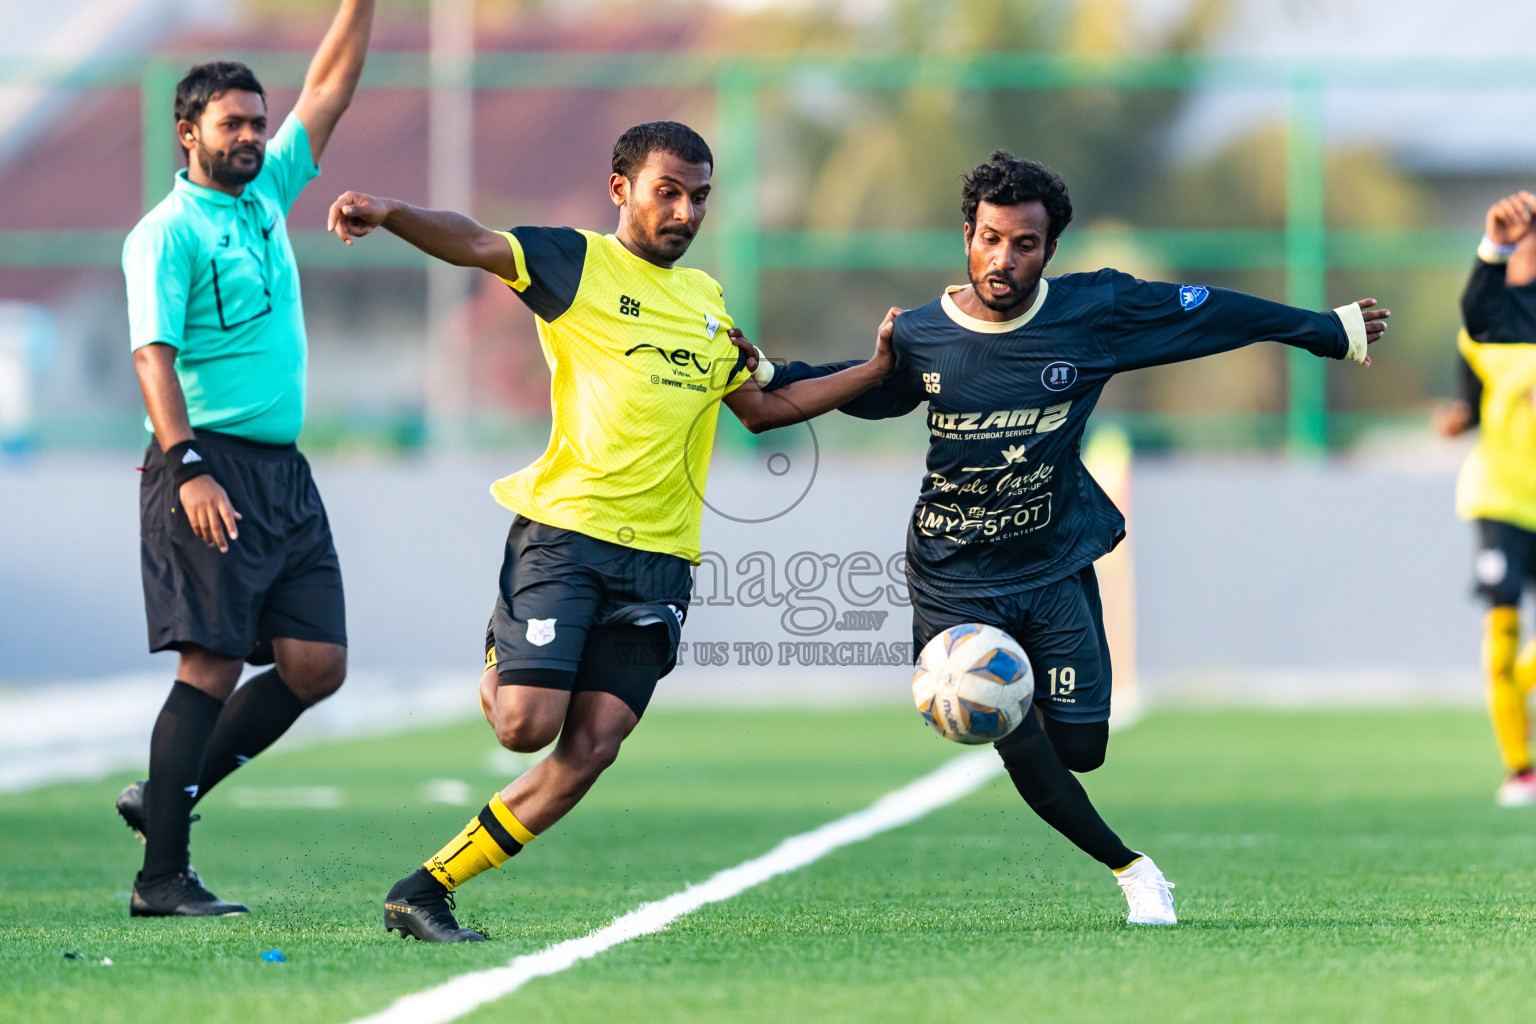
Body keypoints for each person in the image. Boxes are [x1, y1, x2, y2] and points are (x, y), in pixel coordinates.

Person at [757, 151, 1389, 925]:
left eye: (1024, 244)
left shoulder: (1095, 311)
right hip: (953, 577)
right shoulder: (923, 335)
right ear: (967, 236)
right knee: (1010, 727)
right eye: (990, 239)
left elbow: (1212, 313)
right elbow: (865, 385)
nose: (1004, 258)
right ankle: (1133, 870)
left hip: (1052, 562)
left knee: (1084, 746)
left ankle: (1056, 744)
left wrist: (1323, 331)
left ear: (1050, 249)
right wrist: (775, 369)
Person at [327, 120, 898, 941]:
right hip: (566, 536)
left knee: (592, 746)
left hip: (662, 565)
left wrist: (875, 372)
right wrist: (388, 210)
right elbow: (474, 242)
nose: (686, 211)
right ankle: (505, 637)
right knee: (523, 726)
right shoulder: (575, 263)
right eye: (668, 191)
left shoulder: (706, 302)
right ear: (621, 188)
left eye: (699, 196)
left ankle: (423, 889)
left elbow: (763, 408)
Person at [116, 0, 376, 917]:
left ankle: (164, 799)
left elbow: (332, 88)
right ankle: (160, 880)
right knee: (210, 667)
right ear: (188, 133)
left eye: (260, 123)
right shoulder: (165, 233)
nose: (254, 137)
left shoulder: (266, 198)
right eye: (234, 125)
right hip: (206, 467)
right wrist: (187, 465)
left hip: (283, 475)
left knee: (316, 665)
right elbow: (152, 355)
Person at [1439, 190, 1536, 806]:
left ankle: (1516, 688)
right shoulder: (1497, 324)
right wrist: (1494, 245)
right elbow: (1470, 401)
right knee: (1501, 629)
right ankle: (1520, 769)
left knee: (1514, 665)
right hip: (1501, 497)